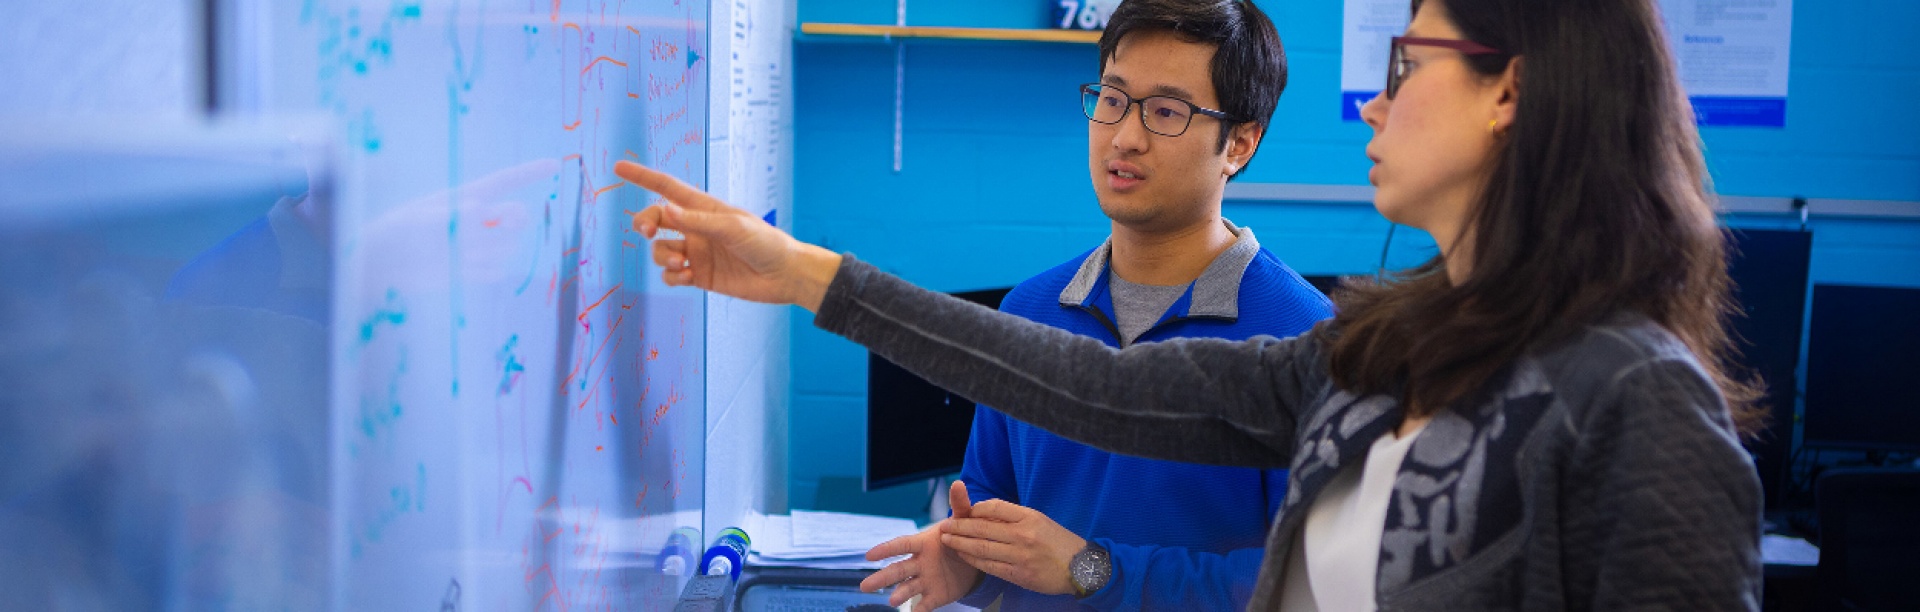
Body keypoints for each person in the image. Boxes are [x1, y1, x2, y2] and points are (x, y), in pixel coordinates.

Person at [616, 0, 1765, 607]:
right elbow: (1090, 385)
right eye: (1111, 100)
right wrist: (802, 274)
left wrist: (1089, 572)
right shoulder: (1379, 351)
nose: (1374, 101)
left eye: (1409, 63)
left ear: (1511, 90)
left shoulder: (1634, 399)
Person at [842, 0, 1332, 609]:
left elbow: (1308, 586)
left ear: (1239, 143)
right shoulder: (1030, 310)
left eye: (1166, 111)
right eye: (1113, 98)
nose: (1125, 136)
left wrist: (1091, 569)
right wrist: (967, 564)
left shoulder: (1304, 337)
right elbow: (1002, 527)